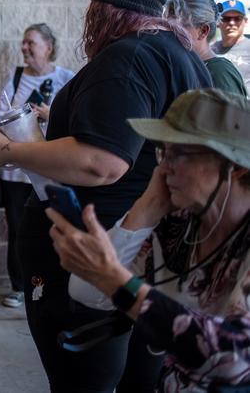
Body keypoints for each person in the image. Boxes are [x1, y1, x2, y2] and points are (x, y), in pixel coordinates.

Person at [0, 0, 211, 392]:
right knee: (141, 380)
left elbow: (102, 162)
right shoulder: (178, 54)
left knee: (81, 380)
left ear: (106, 9)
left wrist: (9, 150)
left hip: (93, 244)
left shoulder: (127, 57)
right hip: (153, 244)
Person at [49, 89, 250, 392]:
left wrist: (115, 282)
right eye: (162, 151)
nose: (163, 168)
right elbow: (88, 291)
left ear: (235, 166)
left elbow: (235, 358)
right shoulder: (182, 224)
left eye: (178, 153)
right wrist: (146, 209)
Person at [0, 23, 75, 309]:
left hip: (52, 169)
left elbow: (75, 121)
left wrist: (49, 113)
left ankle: (52, 284)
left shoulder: (67, 78)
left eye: (32, 43)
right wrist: (25, 115)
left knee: (53, 227)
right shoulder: (16, 77)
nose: (25, 48)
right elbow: (0, 114)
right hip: (16, 170)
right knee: (18, 229)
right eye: (24, 42)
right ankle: (19, 287)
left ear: (48, 47)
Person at [167, 0, 247, 97]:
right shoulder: (188, 66)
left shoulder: (219, 72)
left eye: (177, 30)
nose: (168, 36)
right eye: (167, 29)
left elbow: (233, 113)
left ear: (203, 31)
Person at [212, 0, 250, 95]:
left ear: (245, 21)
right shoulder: (210, 49)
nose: (232, 23)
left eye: (237, 18)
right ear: (218, 22)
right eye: (226, 18)